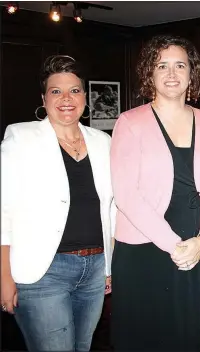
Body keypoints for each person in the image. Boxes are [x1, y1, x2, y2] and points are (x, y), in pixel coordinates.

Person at [109, 34, 200, 351]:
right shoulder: (129, 122)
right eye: (162, 66)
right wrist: (174, 245)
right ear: (151, 73)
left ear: (192, 73)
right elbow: (126, 194)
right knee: (140, 337)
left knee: (182, 336)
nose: (172, 73)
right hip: (143, 250)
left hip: (192, 247)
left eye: (180, 65)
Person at [0, 55, 114, 351]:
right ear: (43, 98)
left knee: (82, 347)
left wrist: (108, 266)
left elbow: (112, 207)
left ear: (85, 97)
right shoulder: (21, 137)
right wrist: (4, 277)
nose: (66, 99)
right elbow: (4, 211)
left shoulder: (103, 141)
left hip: (94, 269)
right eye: (56, 91)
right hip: (43, 272)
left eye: (75, 90)